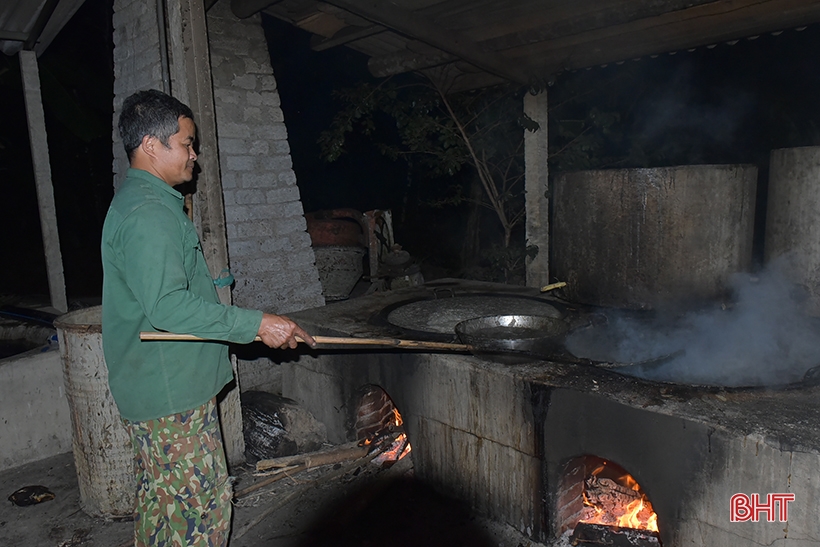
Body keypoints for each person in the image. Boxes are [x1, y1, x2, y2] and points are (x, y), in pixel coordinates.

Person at [101, 88, 316, 546]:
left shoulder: (148, 203)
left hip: (162, 387)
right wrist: (256, 323)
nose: (194, 155)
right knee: (200, 511)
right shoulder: (147, 214)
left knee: (164, 506)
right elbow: (167, 307)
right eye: (187, 143)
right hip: (169, 392)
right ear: (151, 146)